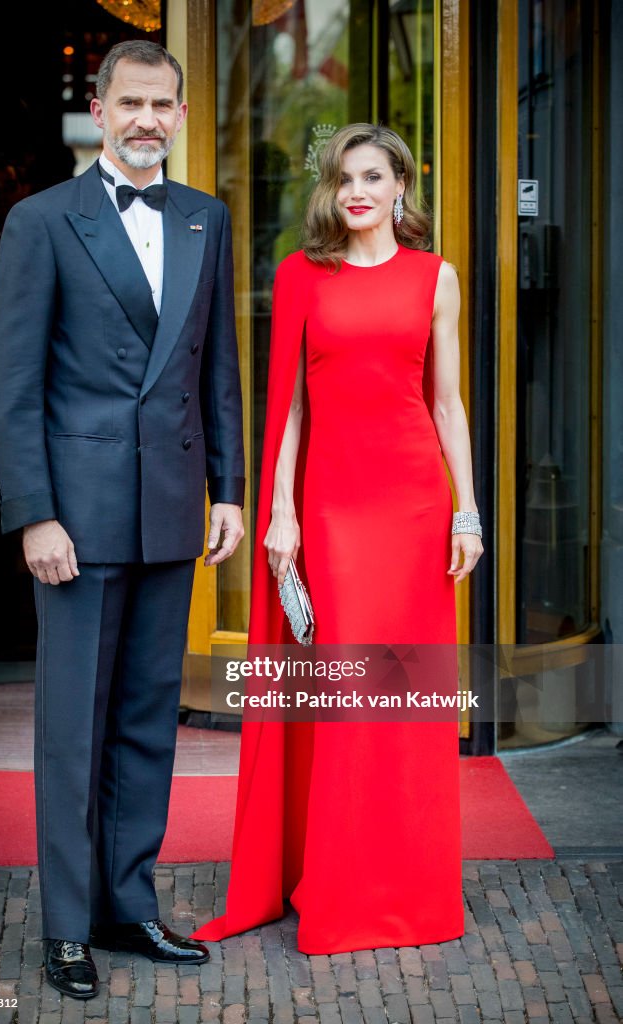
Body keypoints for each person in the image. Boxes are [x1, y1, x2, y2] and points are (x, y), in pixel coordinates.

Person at [0, 40, 245, 998]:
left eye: (161, 105)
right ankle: (64, 927)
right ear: (99, 110)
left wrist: (229, 490)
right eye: (129, 102)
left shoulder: (203, 220)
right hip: (77, 522)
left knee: (145, 723)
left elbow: (216, 367)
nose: (145, 119)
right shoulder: (41, 221)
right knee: (72, 728)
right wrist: (34, 516)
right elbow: (12, 386)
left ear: (179, 116)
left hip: (172, 511)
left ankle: (126, 904)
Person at [192, 123, 483, 954]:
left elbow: (447, 406)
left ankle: (407, 893)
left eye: (373, 176)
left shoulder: (436, 278)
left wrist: (467, 511)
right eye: (344, 177)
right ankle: (337, 886)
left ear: (400, 187)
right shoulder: (299, 278)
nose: (357, 190)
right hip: (331, 509)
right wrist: (278, 510)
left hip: (415, 507)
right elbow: (283, 406)